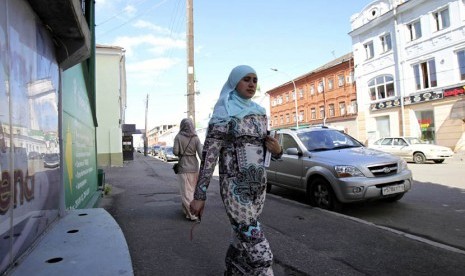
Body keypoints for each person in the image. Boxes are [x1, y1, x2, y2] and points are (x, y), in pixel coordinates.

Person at [190, 65, 282, 275]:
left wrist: (278, 151)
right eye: (246, 79)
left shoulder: (260, 113)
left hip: (258, 188)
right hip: (235, 189)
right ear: (234, 82)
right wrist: (199, 195)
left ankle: (233, 269)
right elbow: (210, 155)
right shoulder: (224, 112)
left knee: (241, 239)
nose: (251, 84)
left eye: (255, 80)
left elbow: (268, 151)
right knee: (261, 254)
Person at [173, 118, 203, 221]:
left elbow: (176, 152)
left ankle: (193, 214)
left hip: (183, 167)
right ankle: (186, 211)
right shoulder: (196, 138)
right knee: (193, 191)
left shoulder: (178, 137)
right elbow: (200, 154)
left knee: (186, 192)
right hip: (194, 167)